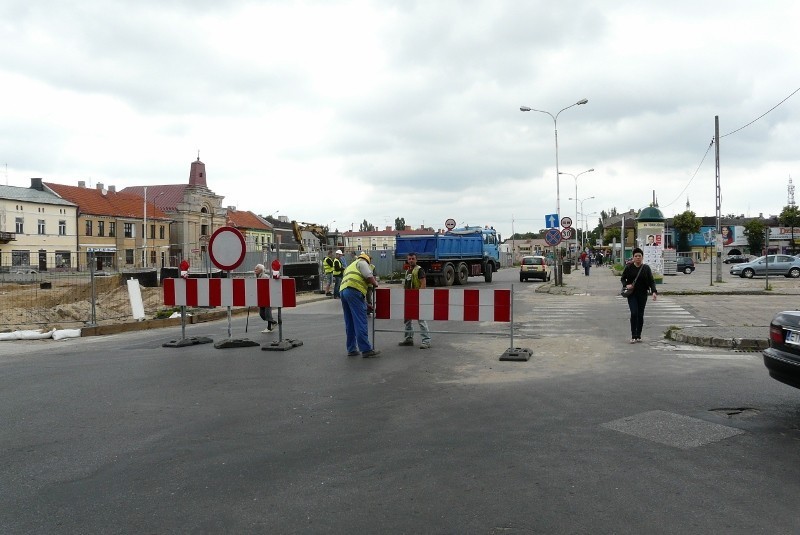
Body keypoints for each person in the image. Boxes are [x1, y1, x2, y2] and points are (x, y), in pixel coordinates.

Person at [339, 252, 381, 357]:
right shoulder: (362, 262)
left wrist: (365, 303)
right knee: (360, 320)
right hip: (354, 290)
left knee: (350, 322)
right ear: (367, 260)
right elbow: (369, 276)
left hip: (344, 292)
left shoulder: (350, 266)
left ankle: (351, 349)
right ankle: (366, 349)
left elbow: (352, 286)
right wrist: (375, 283)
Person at [620, 247, 657, 343]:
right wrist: (626, 285)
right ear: (633, 257)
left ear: (642, 257)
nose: (637, 258)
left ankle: (638, 335)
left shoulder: (646, 268)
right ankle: (633, 335)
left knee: (640, 315)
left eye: (639, 256)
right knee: (634, 313)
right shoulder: (629, 267)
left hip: (643, 294)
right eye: (635, 256)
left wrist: (654, 292)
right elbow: (623, 278)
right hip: (632, 294)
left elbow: (651, 281)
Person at [398, 252, 432, 349]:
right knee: (407, 319)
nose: (411, 260)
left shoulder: (419, 270)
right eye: (409, 259)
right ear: (407, 260)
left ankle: (426, 341)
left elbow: (423, 284)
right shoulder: (408, 271)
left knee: (421, 319)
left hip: (417, 298)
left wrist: (420, 297)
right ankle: (408, 338)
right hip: (408, 298)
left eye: (413, 258)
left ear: (416, 260)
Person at [254, 263, 277, 332]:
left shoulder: (265, 276)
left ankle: (269, 327)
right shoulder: (257, 277)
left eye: (256, 269)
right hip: (261, 297)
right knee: (262, 313)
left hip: (267, 297)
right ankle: (273, 323)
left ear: (261, 270)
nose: (255, 270)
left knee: (267, 313)